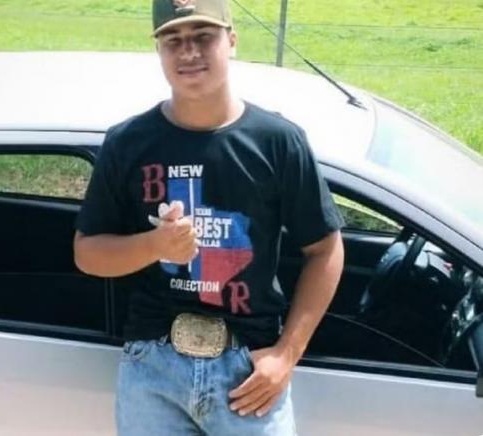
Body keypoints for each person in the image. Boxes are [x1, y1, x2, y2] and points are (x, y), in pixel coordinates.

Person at [73, 0, 345, 434]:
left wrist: (286, 355)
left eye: (204, 37)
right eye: (173, 40)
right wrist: (155, 245)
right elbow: (87, 253)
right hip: (152, 368)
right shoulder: (127, 142)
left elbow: (326, 249)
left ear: (232, 41)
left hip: (249, 372)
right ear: (158, 50)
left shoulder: (278, 141)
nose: (188, 52)